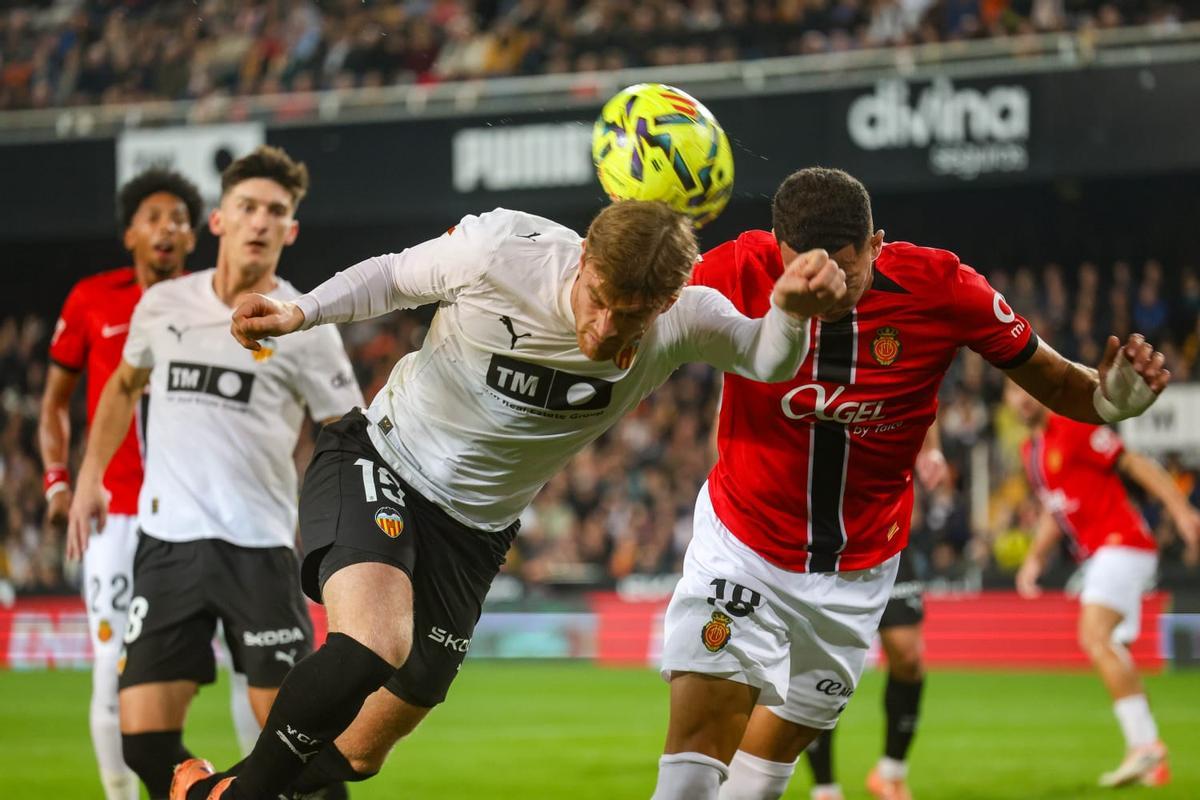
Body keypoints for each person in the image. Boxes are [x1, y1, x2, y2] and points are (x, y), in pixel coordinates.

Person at [172, 198, 846, 799]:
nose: (607, 328)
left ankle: (219, 790)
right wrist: (301, 311)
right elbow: (394, 275)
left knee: (364, 749)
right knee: (372, 641)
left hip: (474, 532)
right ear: (582, 258)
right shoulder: (501, 252)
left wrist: (788, 311)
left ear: (668, 302)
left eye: (633, 314)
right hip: (382, 459)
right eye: (599, 298)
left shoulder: (688, 318)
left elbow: (766, 358)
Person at [650, 167, 1170, 800]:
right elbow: (632, 316)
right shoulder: (733, 269)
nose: (826, 290)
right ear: (775, 248)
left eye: (845, 271)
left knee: (758, 786)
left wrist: (1113, 400)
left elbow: (1060, 382)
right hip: (743, 546)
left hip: (858, 574)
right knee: (692, 767)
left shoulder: (942, 286)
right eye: (802, 270)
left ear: (876, 244)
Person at [68, 146, 363, 800]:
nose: (260, 221)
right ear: (220, 222)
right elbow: (123, 386)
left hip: (258, 551)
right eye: (247, 207)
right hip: (167, 546)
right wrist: (90, 475)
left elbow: (349, 432)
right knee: (143, 740)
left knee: (294, 747)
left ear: (290, 231)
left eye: (276, 212)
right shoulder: (164, 305)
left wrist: (345, 537)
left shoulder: (305, 323)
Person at [39, 167, 258, 799]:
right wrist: (60, 483)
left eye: (180, 219)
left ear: (197, 237)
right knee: (111, 669)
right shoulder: (91, 300)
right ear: (130, 232)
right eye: (154, 217)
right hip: (117, 516)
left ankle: (262, 790)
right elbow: (56, 401)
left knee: (252, 665)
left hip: (206, 510)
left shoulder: (216, 302)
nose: (167, 228)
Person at [1009, 380, 1200, 788]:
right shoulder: (1032, 451)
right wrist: (1034, 560)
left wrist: (1182, 511)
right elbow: (1053, 511)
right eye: (1012, 393)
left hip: (1121, 543)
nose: (1022, 397)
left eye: (1027, 389)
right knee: (1119, 654)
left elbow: (1134, 463)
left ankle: (1144, 747)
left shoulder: (1073, 426)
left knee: (1095, 637)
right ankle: (1152, 759)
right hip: (1103, 554)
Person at [802, 428, 945, 800]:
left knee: (908, 656)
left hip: (887, 529)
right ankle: (825, 787)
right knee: (819, 665)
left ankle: (891, 774)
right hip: (821, 535)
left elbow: (925, 394)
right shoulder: (798, 372)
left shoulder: (892, 372)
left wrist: (933, 450)